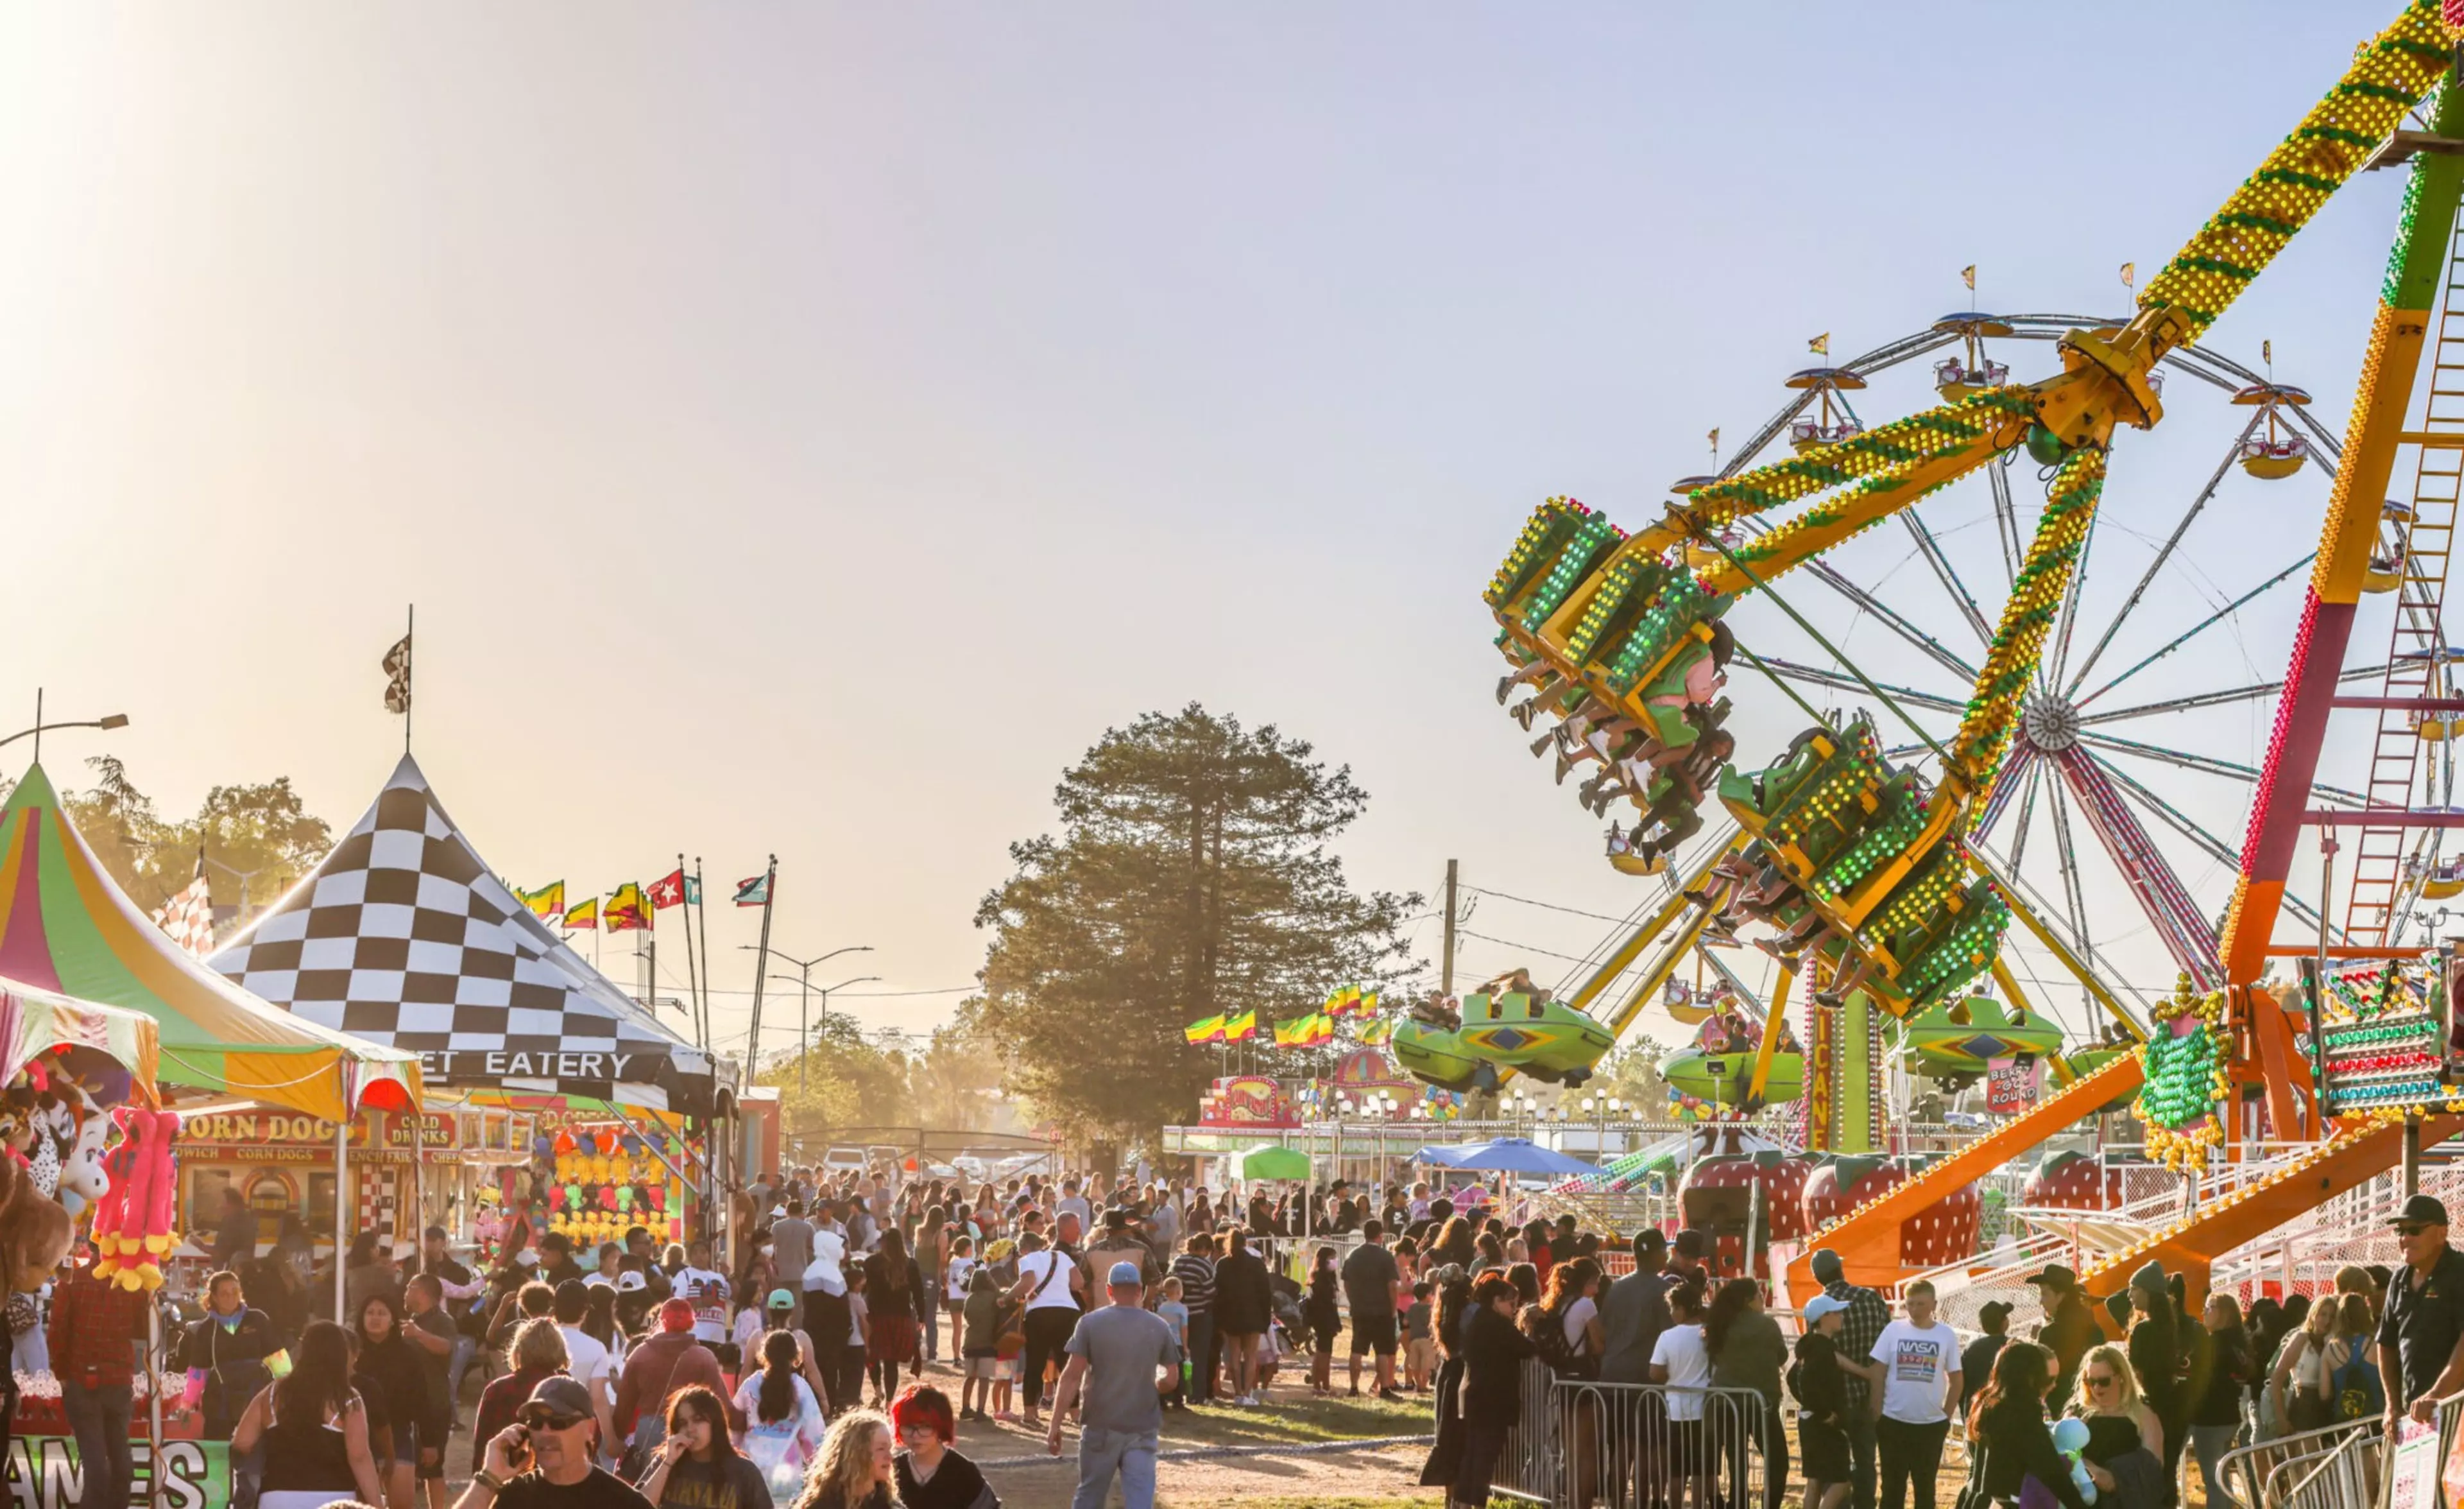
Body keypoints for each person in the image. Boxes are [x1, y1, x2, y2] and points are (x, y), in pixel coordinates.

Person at [1044, 1261, 1178, 1509]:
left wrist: (1055, 1424)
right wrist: (1152, 1387)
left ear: (1109, 1290)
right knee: (1140, 1500)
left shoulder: (1090, 1324)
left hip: (1100, 1424)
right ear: (1139, 1290)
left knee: (1090, 1496)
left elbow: (1071, 1376)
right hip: (1142, 1425)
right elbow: (1172, 1379)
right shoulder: (1158, 1326)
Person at [232, 1318, 388, 1509]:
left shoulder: (273, 1393)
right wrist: (377, 1505)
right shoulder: (347, 1398)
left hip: (277, 1497)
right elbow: (360, 1456)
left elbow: (242, 1442)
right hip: (334, 1497)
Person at [458, 1375, 653, 1509]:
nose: (545, 1432)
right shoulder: (515, 1496)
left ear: (590, 1429)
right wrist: (489, 1478)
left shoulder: (623, 1502)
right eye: (535, 1422)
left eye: (559, 1422)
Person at [49, 1248, 149, 1509]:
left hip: (82, 1380)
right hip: (117, 1381)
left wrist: (61, 1373)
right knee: (120, 1463)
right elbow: (145, 1330)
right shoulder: (133, 1284)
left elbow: (58, 1330)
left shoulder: (74, 1280)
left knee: (97, 1467)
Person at [1867, 1279, 1960, 1509]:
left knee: (1925, 1489)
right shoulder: (1893, 1330)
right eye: (1910, 1304)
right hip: (1893, 1422)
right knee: (1892, 1489)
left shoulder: (1945, 1335)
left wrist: (1945, 1417)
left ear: (1934, 1305)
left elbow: (1957, 1379)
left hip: (1930, 1426)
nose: (1915, 1310)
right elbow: (1877, 1371)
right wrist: (1876, 1410)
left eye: (1921, 1304)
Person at [1962, 1341, 2087, 1509]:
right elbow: (2050, 1469)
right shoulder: (2023, 1413)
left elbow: (1979, 1476)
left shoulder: (1988, 1405)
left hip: (1990, 1501)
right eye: (2046, 1377)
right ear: (2030, 1376)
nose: (2051, 1385)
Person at [1810, 1247, 1890, 1509]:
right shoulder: (1871, 1298)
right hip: (1868, 1393)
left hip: (1834, 1397)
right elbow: (1886, 1345)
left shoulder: (1819, 1309)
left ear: (1817, 1277)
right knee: (1866, 1458)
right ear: (1841, 1269)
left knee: (1835, 1462)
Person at [1451, 1270, 1537, 1509]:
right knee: (1485, 1458)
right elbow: (1526, 1348)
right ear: (1497, 1301)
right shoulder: (1498, 1324)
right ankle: (1477, 1503)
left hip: (1472, 1395)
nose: (1514, 1309)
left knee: (1471, 1455)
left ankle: (1461, 1501)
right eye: (1511, 1304)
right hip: (1492, 1400)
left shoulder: (1477, 1320)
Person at [2379, 1193, 2464, 1428]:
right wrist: (2392, 1405)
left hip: (2457, 1415)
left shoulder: (2460, 1272)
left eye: (2414, 1230)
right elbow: (2386, 1344)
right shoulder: (2399, 1280)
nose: (2405, 1238)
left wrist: (2437, 1394)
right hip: (2415, 1419)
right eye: (2400, 1231)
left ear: (2442, 1232)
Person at [1707, 1276, 1787, 1509]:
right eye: (1760, 1297)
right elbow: (1781, 1356)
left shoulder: (1720, 1324)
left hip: (1727, 1402)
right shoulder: (1766, 1325)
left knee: (1737, 1460)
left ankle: (1737, 1503)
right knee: (1778, 1461)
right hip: (1761, 1402)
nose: (1763, 1301)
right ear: (1748, 1301)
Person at [616, 1300, 732, 1460]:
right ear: (691, 1323)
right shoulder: (704, 1357)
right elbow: (721, 1404)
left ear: (662, 1321)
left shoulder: (640, 1355)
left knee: (650, 1481)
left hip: (650, 1429)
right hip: (691, 1430)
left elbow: (624, 1405)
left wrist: (618, 1435)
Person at [179, 1268, 282, 1440]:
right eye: (224, 1293)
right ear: (214, 1297)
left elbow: (277, 1357)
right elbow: (198, 1371)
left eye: (234, 1292)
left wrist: (289, 1390)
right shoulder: (205, 1330)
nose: (230, 1297)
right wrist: (187, 1403)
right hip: (220, 1404)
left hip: (256, 1399)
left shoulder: (257, 1319)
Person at [635, 1384, 772, 1509]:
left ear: (715, 1424)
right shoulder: (666, 1463)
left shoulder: (744, 1472)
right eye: (683, 1423)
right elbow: (638, 1505)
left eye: (698, 1420)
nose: (690, 1429)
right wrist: (668, 1462)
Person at [358, 1292, 431, 1509]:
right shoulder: (351, 1352)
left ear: (393, 1320)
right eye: (370, 1313)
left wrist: (429, 1442)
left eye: (382, 1313)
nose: (375, 1318)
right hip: (357, 1434)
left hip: (398, 1434)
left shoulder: (408, 1354)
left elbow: (422, 1399)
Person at [2072, 1343, 2166, 1509]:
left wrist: (2115, 1477)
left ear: (2122, 1377)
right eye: (2090, 1381)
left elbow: (2153, 1469)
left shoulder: (2143, 1415)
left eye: (2104, 1381)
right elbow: (2065, 1453)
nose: (2096, 1388)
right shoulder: (2081, 1415)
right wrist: (2089, 1467)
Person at [473, 1320, 567, 1481]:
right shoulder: (568, 1390)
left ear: (519, 1351)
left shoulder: (498, 1390)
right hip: (557, 1484)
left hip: (506, 1484)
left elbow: (483, 1446)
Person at [733, 1331, 826, 1494]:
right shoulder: (801, 1387)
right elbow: (814, 1434)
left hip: (750, 1470)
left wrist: (730, 1457)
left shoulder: (750, 1385)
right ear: (796, 1356)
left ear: (764, 1355)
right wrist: (818, 1469)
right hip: (787, 1474)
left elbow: (734, 1425)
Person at [1006, 1230, 1081, 1429]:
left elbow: (1028, 1282)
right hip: (1067, 1311)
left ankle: (1031, 1413)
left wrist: (1007, 1296)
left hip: (1039, 1314)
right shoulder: (1062, 1256)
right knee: (1067, 1365)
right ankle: (1074, 1414)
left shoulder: (1027, 1259)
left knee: (1035, 1364)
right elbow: (1078, 1283)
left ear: (1023, 1248)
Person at [2119, 1262, 2184, 1494]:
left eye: (2133, 1289)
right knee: (2167, 1473)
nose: (2129, 1295)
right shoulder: (2169, 1325)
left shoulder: (2143, 1329)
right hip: (2170, 1404)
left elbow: (2136, 1373)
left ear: (2147, 1292)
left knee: (2148, 1472)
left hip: (2149, 1405)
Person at [1650, 1281, 1715, 1509]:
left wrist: (1671, 1376)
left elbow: (1655, 1372)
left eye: (1672, 1308)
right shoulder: (1708, 1335)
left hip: (1676, 1409)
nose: (1671, 1313)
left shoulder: (1667, 1337)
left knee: (1676, 1468)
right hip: (1703, 1409)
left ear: (1681, 1308)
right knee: (1699, 1466)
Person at [2186, 1295, 2253, 1509]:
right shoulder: (2238, 1342)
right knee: (2223, 1480)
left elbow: (2198, 1377)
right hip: (2230, 1416)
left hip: (2209, 1419)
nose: (2205, 1311)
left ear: (2224, 1313)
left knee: (2214, 1481)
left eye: (2210, 1307)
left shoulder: (2214, 1343)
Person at [1793, 1294, 1857, 1509]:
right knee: (1842, 1482)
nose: (1841, 1316)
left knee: (1815, 1482)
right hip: (1823, 1425)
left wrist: (1811, 1407)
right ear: (1824, 1317)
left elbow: (1794, 1379)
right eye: (1836, 1312)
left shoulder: (1809, 1346)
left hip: (1809, 1421)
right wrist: (1825, 1413)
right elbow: (1805, 1381)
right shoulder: (1822, 1349)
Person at [889, 1383, 998, 1509]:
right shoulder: (892, 1470)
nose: (915, 1436)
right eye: (908, 1427)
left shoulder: (964, 1472)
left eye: (925, 1427)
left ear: (941, 1426)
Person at [402, 1275, 459, 1508]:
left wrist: (418, 1334)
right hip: (410, 1404)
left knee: (432, 1466)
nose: (405, 1291)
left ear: (423, 1293)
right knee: (405, 1464)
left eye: (410, 1287)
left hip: (434, 1404)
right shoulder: (413, 1320)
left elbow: (446, 1347)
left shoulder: (442, 1320)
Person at [552, 1281, 620, 1468]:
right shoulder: (596, 1348)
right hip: (576, 1429)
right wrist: (611, 1440)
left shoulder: (539, 1339)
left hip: (539, 1423)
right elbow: (598, 1398)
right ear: (585, 1311)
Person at [2028, 1263, 2105, 1411]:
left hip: (2061, 1409)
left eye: (2045, 1293)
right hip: (2093, 1405)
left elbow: (2041, 1377)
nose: (2041, 1301)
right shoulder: (2094, 1328)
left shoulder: (2049, 1333)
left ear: (2061, 1296)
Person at [1340, 1220, 1403, 1400]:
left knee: (1357, 1349)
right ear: (1380, 1235)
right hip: (1382, 1308)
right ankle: (1384, 1388)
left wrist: (1354, 1301)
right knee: (1382, 1350)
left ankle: (1353, 1387)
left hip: (1360, 1308)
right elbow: (1392, 1285)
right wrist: (1393, 1309)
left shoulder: (1353, 1255)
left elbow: (1347, 1282)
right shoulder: (1385, 1256)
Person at [1210, 1228, 1273, 1407]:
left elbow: (1218, 1293)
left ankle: (1238, 1392)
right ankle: (1247, 1393)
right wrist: (1265, 1318)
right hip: (1253, 1314)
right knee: (1251, 1355)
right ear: (1245, 1242)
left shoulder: (1222, 1264)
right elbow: (1265, 1292)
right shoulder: (1256, 1264)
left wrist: (1219, 1318)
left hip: (1231, 1315)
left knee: (1234, 1355)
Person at [864, 1230, 925, 1404]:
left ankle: (878, 1391)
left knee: (873, 1356)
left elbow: (864, 1289)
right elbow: (919, 1293)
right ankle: (890, 1401)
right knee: (891, 1362)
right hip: (901, 1317)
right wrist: (921, 1316)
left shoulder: (871, 1263)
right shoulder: (910, 1264)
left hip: (876, 1316)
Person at [791, 1410, 895, 1509]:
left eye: (890, 1448)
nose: (889, 1457)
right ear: (856, 1453)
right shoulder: (821, 1504)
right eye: (881, 1449)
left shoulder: (888, 1504)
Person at [1167, 1233, 1216, 1406]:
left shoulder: (1178, 1262)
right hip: (1199, 1314)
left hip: (1177, 1315)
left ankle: (1176, 1393)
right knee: (1199, 1357)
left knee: (1178, 1355)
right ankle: (1197, 1395)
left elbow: (1169, 1283)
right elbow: (1210, 1293)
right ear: (1204, 1249)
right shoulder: (1205, 1266)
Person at [1960, 1302, 2012, 1417]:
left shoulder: (1971, 1349)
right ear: (2005, 1323)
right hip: (2004, 1413)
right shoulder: (2012, 1348)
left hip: (1974, 1412)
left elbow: (1961, 1384)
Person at [770, 1203, 816, 1331]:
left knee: (779, 1303)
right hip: (800, 1272)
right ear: (802, 1212)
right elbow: (814, 1247)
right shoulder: (808, 1227)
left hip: (781, 1272)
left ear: (787, 1212)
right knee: (798, 1307)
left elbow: (771, 1248)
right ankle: (796, 1332)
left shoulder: (777, 1227)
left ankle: (779, 1329)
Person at [1303, 1245, 1341, 1395]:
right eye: (1332, 1258)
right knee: (1323, 1354)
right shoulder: (1321, 1280)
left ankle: (1323, 1385)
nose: (1334, 1262)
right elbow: (1324, 1304)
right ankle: (1321, 1386)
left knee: (1323, 1352)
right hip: (1324, 1320)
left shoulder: (1326, 1278)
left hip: (1326, 1319)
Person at [1154, 1277, 1191, 1411]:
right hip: (1178, 1344)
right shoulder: (1182, 1309)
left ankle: (1162, 1399)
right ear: (1178, 1292)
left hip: (1164, 1344)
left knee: (1164, 1372)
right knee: (1179, 1372)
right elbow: (1184, 1328)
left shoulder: (1162, 1308)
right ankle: (1178, 1400)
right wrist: (1186, 1346)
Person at [212, 1187, 261, 1271]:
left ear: (231, 1204)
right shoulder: (243, 1218)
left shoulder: (234, 1221)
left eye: (222, 1202)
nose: (219, 1206)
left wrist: (201, 1246)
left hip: (233, 1272)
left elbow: (223, 1252)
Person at [1403, 1281, 1435, 1393]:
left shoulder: (1412, 1307)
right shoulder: (1431, 1308)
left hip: (1414, 1339)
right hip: (1427, 1339)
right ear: (1428, 1295)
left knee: (1415, 1364)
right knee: (1426, 1364)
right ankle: (1424, 1385)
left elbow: (1405, 1322)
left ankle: (1418, 1384)